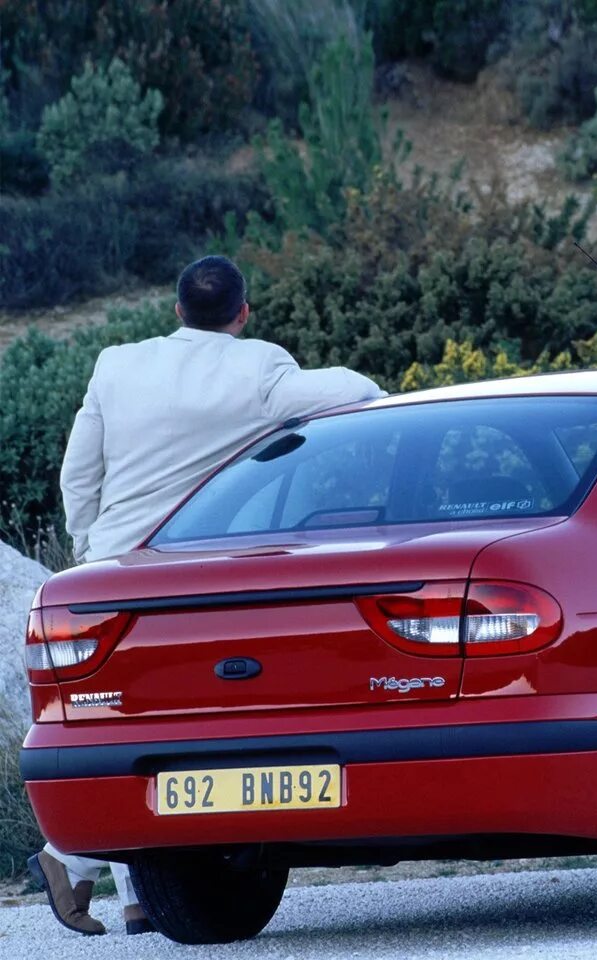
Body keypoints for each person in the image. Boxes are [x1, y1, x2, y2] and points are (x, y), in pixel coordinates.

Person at [28, 255, 384, 936]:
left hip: (111, 566)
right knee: (176, 721)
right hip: (196, 570)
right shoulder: (259, 369)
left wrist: (86, 551)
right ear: (243, 313)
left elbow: (81, 470)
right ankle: (67, 855)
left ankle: (137, 896)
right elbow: (357, 390)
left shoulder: (116, 364)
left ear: (175, 311)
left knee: (119, 721)